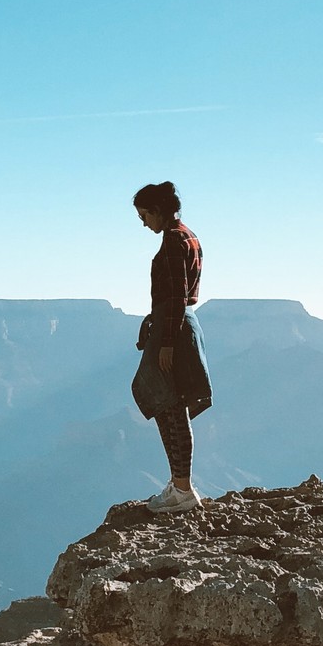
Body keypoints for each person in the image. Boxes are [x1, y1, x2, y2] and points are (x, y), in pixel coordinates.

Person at [131, 180, 212, 512]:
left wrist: (165, 342)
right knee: (169, 402)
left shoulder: (175, 241)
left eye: (144, 215)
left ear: (158, 211)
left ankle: (181, 490)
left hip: (174, 330)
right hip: (175, 324)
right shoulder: (187, 236)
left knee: (169, 403)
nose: (143, 223)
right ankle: (180, 483)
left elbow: (178, 295)